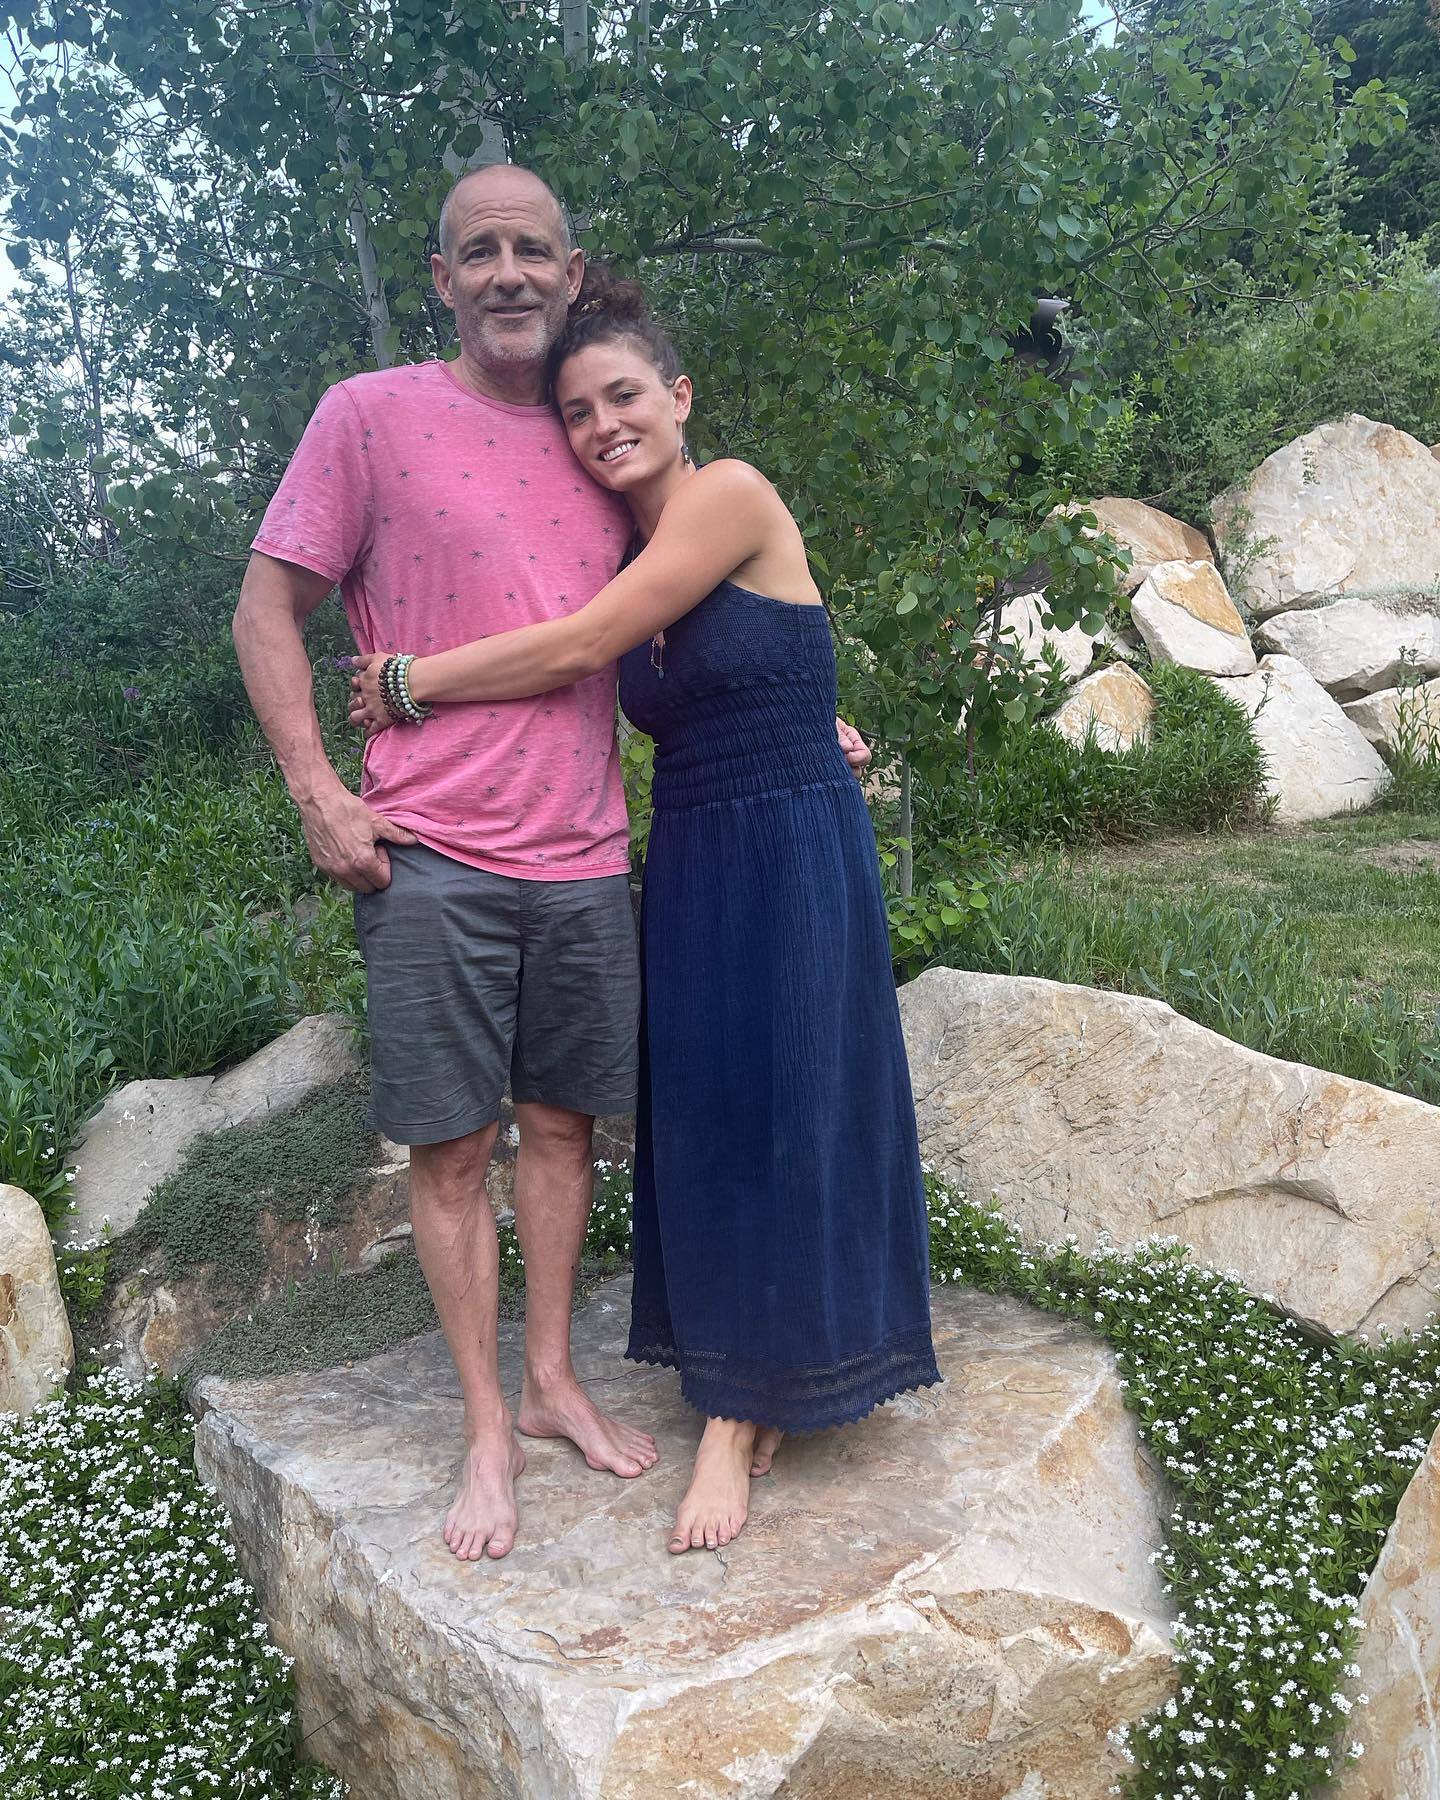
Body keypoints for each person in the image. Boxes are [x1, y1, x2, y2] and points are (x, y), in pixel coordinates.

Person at [233, 163, 865, 1564]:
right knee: (454, 1148)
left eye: (534, 249)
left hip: (586, 854)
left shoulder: (609, 459)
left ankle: (553, 1381)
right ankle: (483, 1431)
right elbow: (264, 607)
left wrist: (793, 707)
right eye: (480, 251)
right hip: (432, 849)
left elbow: (657, 621)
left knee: (567, 1132)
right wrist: (318, 792)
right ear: (442, 278)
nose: (507, 271)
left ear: (573, 277)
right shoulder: (367, 417)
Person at [350, 268, 941, 1555]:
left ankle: (737, 1412)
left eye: (622, 396)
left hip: (790, 843)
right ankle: (750, 1361)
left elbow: (579, 648)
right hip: (693, 851)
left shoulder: (731, 493)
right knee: (707, 1110)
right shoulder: (627, 544)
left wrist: (407, 679)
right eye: (575, 411)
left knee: (793, 1095)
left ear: (678, 396)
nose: (602, 424)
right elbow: (721, 657)